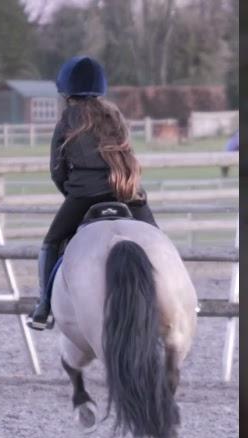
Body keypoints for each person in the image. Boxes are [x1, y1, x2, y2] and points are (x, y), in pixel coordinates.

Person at [27, 56, 158, 331]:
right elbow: (128, 154)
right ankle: (183, 295)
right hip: (128, 192)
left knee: (50, 243)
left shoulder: (67, 119)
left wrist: (72, 192)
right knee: (158, 240)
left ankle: (44, 306)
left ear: (66, 91)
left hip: (84, 196)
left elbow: (57, 170)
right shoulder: (114, 115)